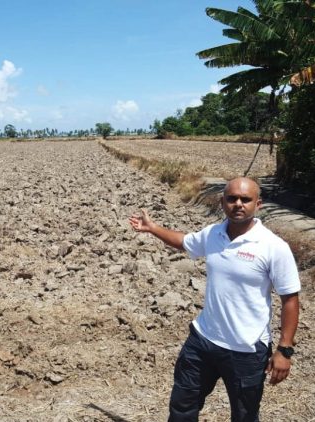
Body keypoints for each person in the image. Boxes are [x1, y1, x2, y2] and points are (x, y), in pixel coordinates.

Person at [128, 177, 300, 422]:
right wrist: (152, 227)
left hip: (246, 350)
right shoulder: (213, 234)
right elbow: (184, 242)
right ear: (222, 202)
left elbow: (290, 300)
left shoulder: (273, 247)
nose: (238, 204)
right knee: (182, 406)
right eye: (231, 199)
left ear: (258, 204)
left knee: (244, 415)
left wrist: (284, 350)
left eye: (245, 199)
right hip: (203, 341)